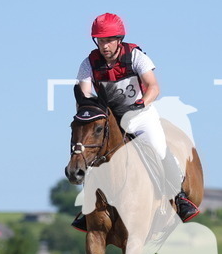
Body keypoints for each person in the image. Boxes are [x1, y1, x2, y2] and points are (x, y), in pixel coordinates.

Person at [71, 13, 199, 231]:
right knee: (91, 154)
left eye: (109, 40)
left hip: (140, 115)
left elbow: (154, 87)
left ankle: (179, 198)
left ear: (119, 39)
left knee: (158, 148)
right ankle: (89, 206)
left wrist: (141, 104)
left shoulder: (136, 56)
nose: (104, 46)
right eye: (100, 41)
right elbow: (84, 95)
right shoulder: (88, 64)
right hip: (110, 120)